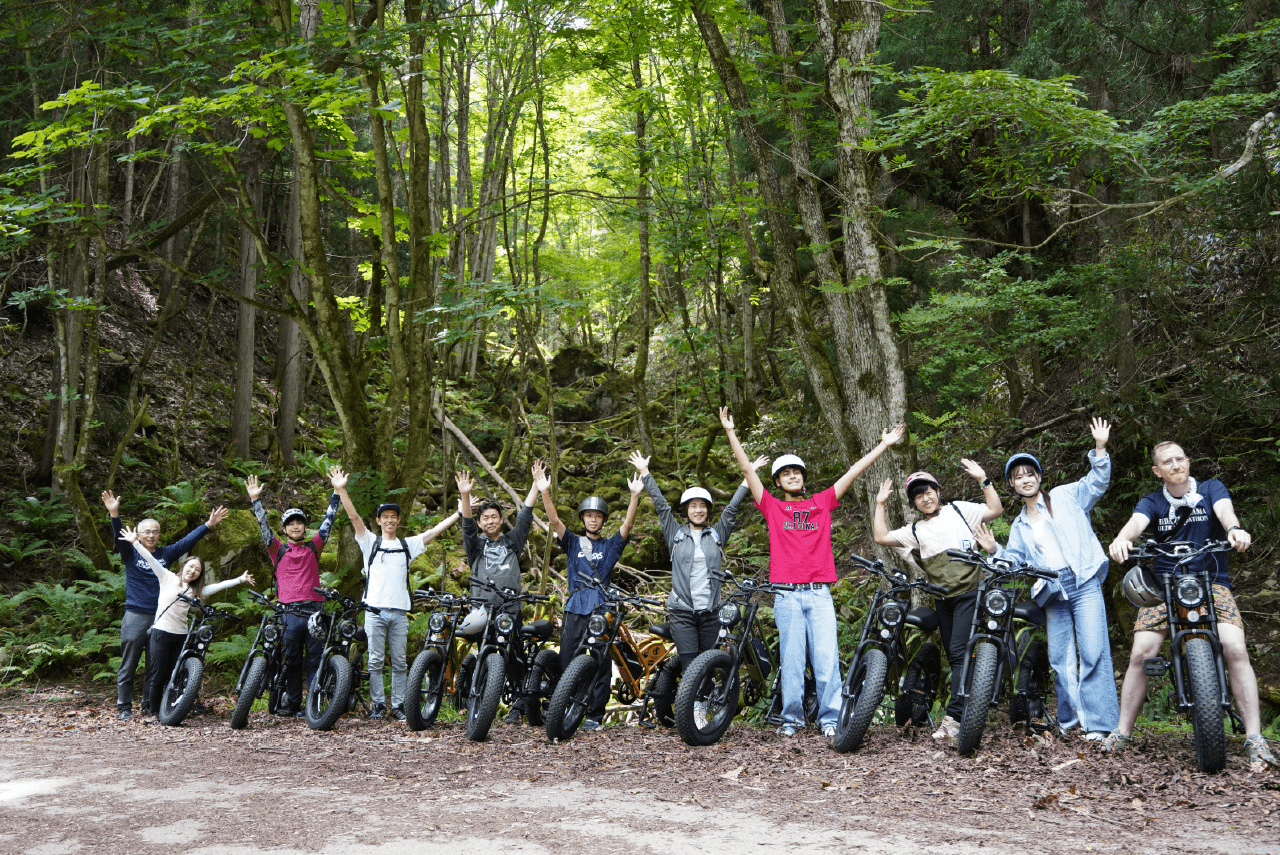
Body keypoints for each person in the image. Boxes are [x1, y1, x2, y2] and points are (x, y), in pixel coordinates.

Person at [721, 406, 905, 738]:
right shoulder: (773, 507)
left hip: (819, 593)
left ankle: (830, 718)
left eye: (797, 472)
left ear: (803, 477)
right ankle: (791, 719)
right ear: (778, 482)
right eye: (786, 474)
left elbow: (853, 472)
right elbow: (747, 470)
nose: (793, 476)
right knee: (791, 660)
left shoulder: (821, 502)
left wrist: (884, 444)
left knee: (826, 658)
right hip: (786, 594)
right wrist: (731, 432)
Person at [1104, 441, 1277, 771]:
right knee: (1142, 651)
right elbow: (1136, 523)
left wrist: (1235, 530)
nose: (1175, 465)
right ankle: (1122, 732)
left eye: (1180, 458)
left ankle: (1255, 737)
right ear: (1157, 471)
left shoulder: (1211, 488)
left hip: (1212, 581)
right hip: (1164, 584)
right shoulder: (1153, 501)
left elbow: (1226, 512)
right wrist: (1123, 539)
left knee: (1235, 646)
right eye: (1167, 462)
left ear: (1188, 461)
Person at [977, 418, 1119, 740]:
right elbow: (1014, 561)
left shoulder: (1066, 496)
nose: (1025, 480)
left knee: (1093, 652)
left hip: (1083, 582)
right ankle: (1070, 723)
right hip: (1052, 592)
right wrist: (994, 550)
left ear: (1039, 477)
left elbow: (1097, 482)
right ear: (1012, 485)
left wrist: (1100, 447)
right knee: (1060, 659)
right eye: (1018, 477)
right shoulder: (1019, 525)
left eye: (1030, 474)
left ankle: (1099, 725)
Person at [872, 458, 1003, 741]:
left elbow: (995, 509)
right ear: (914, 503)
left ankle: (955, 718)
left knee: (958, 651)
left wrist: (983, 479)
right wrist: (880, 503)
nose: (925, 498)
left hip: (971, 593)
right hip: (943, 599)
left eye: (928, 491)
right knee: (956, 655)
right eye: (918, 496)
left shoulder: (960, 510)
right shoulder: (915, 530)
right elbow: (881, 537)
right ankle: (967, 709)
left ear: (938, 491)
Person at [332, 470, 466, 722]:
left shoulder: (407, 546)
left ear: (399, 520)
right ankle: (378, 705)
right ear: (379, 520)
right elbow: (354, 517)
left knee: (400, 662)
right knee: (374, 661)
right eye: (385, 517)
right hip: (374, 612)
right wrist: (341, 490)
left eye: (393, 517)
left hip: (399, 613)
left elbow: (435, 531)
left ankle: (398, 705)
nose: (390, 520)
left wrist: (459, 513)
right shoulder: (370, 542)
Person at [628, 450, 761, 672]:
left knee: (708, 666)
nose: (698, 510)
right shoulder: (675, 533)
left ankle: (706, 695)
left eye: (702, 506)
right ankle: (687, 696)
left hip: (711, 613)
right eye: (693, 506)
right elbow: (661, 506)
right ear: (686, 510)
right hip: (682, 613)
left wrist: (749, 475)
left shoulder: (717, 534)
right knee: (691, 667)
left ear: (708, 510)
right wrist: (645, 472)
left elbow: (731, 508)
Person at [100, 490, 227, 720]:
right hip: (136, 614)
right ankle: (124, 706)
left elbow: (187, 541)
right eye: (146, 532)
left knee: (154, 666)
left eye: (155, 532)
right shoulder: (130, 552)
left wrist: (208, 525)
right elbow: (119, 536)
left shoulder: (166, 554)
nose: (151, 535)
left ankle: (149, 704)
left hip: (162, 619)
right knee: (129, 663)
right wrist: (114, 514)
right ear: (138, 534)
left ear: (159, 535)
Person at [536, 464, 643, 731]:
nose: (593, 520)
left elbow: (628, 525)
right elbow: (554, 521)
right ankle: (564, 705)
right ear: (583, 519)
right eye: (589, 516)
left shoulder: (610, 546)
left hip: (601, 608)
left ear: (603, 520)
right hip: (575, 606)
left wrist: (634, 496)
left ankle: (595, 714)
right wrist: (544, 491)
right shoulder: (573, 542)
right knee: (567, 659)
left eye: (598, 516)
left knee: (599, 660)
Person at [114, 525, 252, 719]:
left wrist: (240, 580)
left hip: (180, 636)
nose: (193, 571)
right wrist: (135, 543)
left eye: (197, 570)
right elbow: (151, 560)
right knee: (157, 674)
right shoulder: (166, 577)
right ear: (183, 565)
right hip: (160, 631)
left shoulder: (195, 591)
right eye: (191, 566)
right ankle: (153, 711)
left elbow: (217, 586)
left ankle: (167, 709)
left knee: (172, 673)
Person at [245, 470, 341, 717]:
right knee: (292, 660)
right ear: (285, 529)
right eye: (290, 523)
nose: (295, 526)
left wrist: (336, 492)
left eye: (299, 522)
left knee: (315, 659)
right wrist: (255, 500)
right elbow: (264, 527)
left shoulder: (314, 546)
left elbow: (329, 521)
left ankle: (314, 705)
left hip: (314, 611)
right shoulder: (277, 549)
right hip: (288, 612)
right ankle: (294, 703)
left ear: (305, 526)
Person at [455, 464, 543, 723]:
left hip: (509, 610)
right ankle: (480, 705)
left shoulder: (512, 542)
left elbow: (525, 516)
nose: (490, 521)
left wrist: (536, 486)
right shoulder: (475, 546)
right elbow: (466, 525)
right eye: (485, 518)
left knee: (514, 656)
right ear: (480, 523)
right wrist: (465, 495)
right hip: (481, 611)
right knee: (484, 653)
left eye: (494, 517)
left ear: (501, 520)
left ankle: (519, 704)